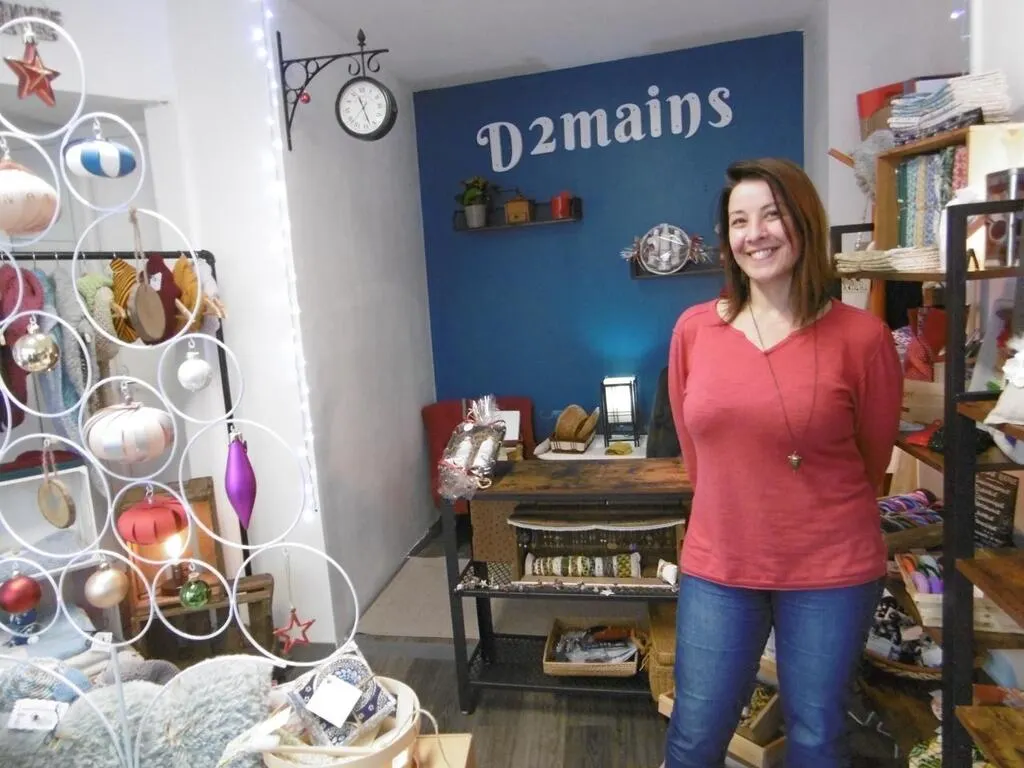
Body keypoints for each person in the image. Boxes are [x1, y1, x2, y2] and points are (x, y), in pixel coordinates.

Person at [662, 158, 902, 768]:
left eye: (772, 215)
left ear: (804, 222)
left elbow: (871, 460)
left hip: (832, 568)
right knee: (694, 734)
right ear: (727, 240)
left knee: (817, 737)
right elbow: (695, 452)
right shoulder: (694, 331)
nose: (755, 234)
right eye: (739, 221)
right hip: (721, 565)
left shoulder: (863, 338)